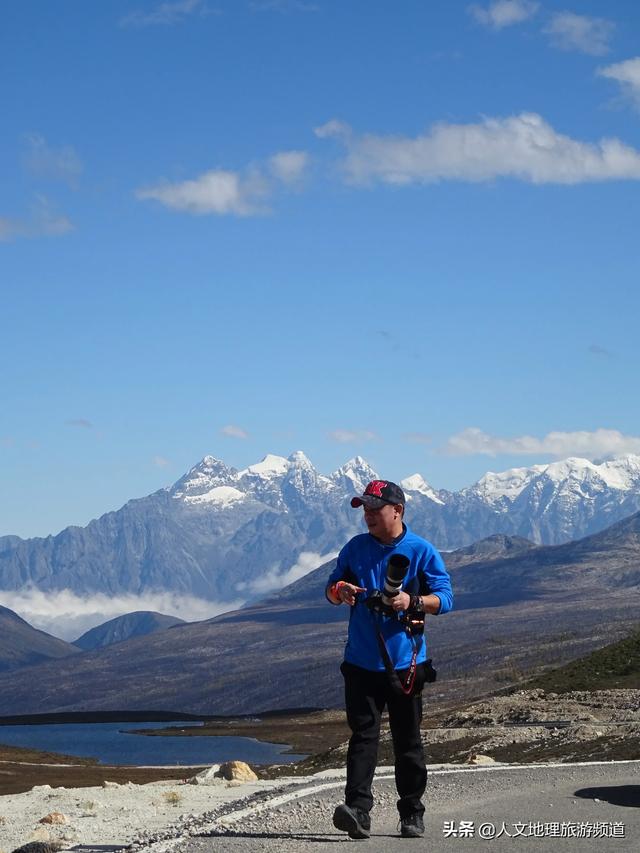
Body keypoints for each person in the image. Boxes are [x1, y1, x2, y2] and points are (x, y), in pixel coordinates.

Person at [326, 479, 453, 840]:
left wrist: (411, 601)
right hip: (361, 664)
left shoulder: (422, 550)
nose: (367, 515)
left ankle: (412, 813)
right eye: (364, 509)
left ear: (396, 511)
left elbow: (446, 598)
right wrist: (342, 591)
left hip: (405, 666)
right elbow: (331, 590)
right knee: (363, 738)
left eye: (374, 509)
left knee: (407, 741)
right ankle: (358, 812)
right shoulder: (354, 549)